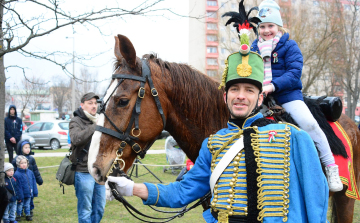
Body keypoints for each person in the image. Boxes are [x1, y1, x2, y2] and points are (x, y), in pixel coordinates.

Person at [105, 8, 329, 222]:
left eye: (249, 90)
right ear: (225, 97)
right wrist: (132, 188)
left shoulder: (294, 138)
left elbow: (316, 201)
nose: (241, 96)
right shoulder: (213, 145)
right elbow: (181, 192)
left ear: (260, 98)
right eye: (234, 90)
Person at [249, 0, 343, 192]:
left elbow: (293, 73)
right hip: (260, 99)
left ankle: (331, 166)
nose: (267, 30)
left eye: (271, 26)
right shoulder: (253, 49)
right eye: (263, 26)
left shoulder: (289, 46)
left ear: (279, 26)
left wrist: (272, 86)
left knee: (310, 124)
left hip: (287, 96)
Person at [69, 92, 106, 223]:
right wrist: (94, 126)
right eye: (90, 103)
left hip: (99, 171)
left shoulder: (101, 120)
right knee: (85, 210)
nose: (94, 106)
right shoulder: (75, 121)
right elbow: (76, 139)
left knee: (99, 209)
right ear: (82, 105)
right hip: (83, 171)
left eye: (95, 103)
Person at [12, 140, 43, 217]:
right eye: (25, 147)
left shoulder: (31, 159)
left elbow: (35, 170)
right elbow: (13, 171)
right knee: (21, 197)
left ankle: (29, 210)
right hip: (20, 182)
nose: (28, 149)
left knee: (30, 197)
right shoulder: (16, 159)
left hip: (29, 181)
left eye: (29, 147)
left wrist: (39, 180)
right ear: (20, 148)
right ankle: (20, 211)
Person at [14, 156, 37, 222]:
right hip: (21, 194)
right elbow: (17, 187)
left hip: (29, 193)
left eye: (25, 162)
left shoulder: (30, 172)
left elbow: (33, 182)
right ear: (18, 164)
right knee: (20, 205)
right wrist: (19, 196)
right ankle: (18, 215)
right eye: (22, 163)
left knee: (27, 205)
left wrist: (34, 191)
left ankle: (28, 215)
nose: (24, 164)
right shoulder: (17, 174)